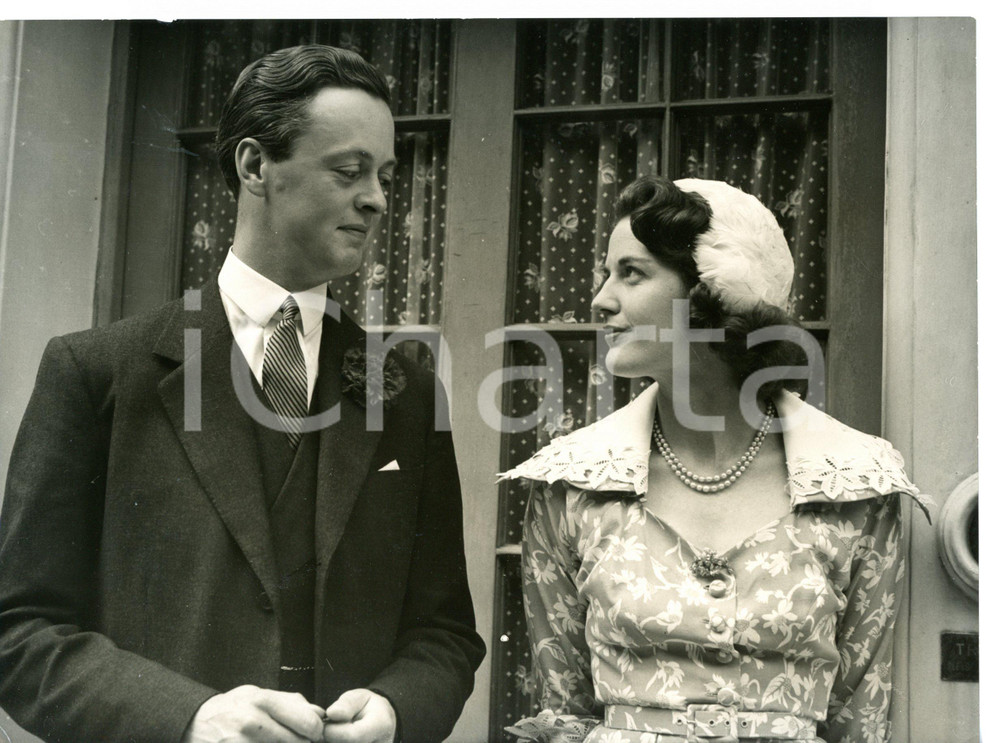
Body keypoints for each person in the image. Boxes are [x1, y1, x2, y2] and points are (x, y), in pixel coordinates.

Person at [0, 44, 484, 743]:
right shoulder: (98, 371)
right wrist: (186, 717)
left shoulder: (403, 393)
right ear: (256, 166)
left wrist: (395, 708)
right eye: (350, 171)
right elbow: (19, 631)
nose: (378, 198)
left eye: (384, 175)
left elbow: (443, 631)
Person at [501, 176, 932, 743]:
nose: (601, 299)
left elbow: (859, 720)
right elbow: (565, 710)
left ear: (711, 295)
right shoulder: (572, 485)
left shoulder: (854, 488)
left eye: (631, 273)